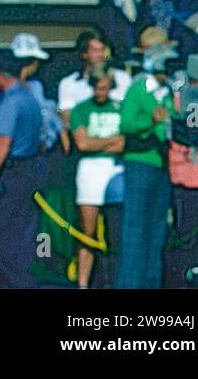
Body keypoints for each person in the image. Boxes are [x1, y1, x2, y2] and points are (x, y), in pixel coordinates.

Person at [0, 53, 45, 288]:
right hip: (29, 168)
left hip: (10, 171)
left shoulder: (10, 102)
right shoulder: (30, 99)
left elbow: (3, 142)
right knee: (23, 230)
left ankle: (10, 283)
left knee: (1, 232)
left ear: (0, 76)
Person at [116, 47, 174, 289]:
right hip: (140, 164)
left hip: (162, 165)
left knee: (157, 227)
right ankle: (130, 284)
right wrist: (150, 121)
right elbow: (126, 124)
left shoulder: (167, 93)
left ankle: (152, 282)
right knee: (135, 228)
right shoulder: (138, 90)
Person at [70, 71, 124, 289]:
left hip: (114, 169)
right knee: (87, 232)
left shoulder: (120, 108)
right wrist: (111, 141)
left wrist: (98, 142)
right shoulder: (81, 109)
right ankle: (83, 283)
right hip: (90, 170)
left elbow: (125, 143)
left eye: (104, 88)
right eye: (97, 87)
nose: (100, 92)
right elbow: (82, 144)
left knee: (116, 230)